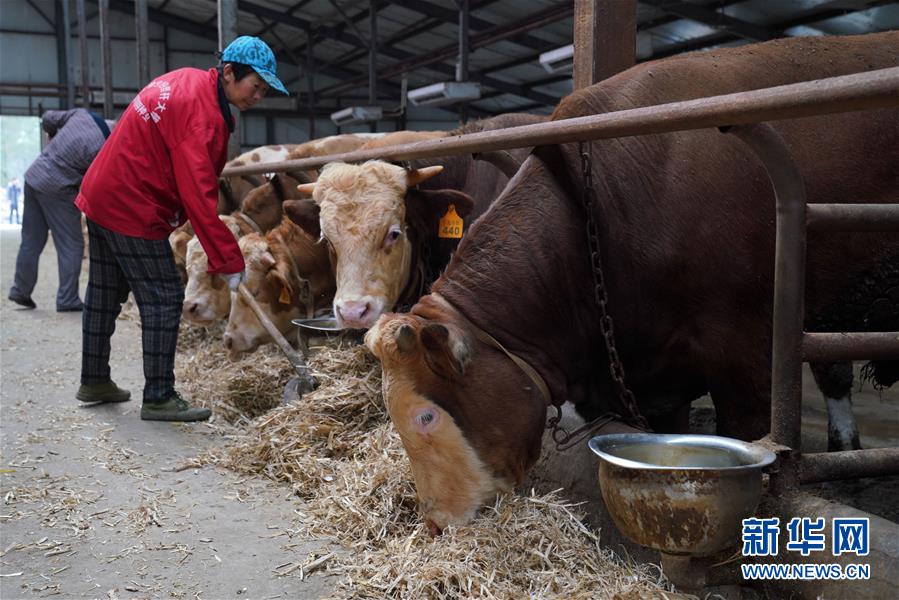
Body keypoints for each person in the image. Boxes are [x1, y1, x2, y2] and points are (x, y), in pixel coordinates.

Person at [74, 36, 288, 422]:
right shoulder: (202, 115)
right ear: (228, 72)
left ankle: (95, 380)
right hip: (131, 205)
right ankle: (158, 396)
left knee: (105, 294)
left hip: (103, 193)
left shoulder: (187, 80)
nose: (259, 96)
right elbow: (199, 198)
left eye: (264, 90)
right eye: (255, 85)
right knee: (163, 297)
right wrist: (228, 260)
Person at [7, 110, 111, 311]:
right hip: (58, 188)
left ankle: (20, 289)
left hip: (34, 177)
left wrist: (52, 135)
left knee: (31, 241)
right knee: (71, 245)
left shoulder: (81, 115)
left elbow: (47, 117)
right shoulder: (104, 148)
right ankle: (67, 299)